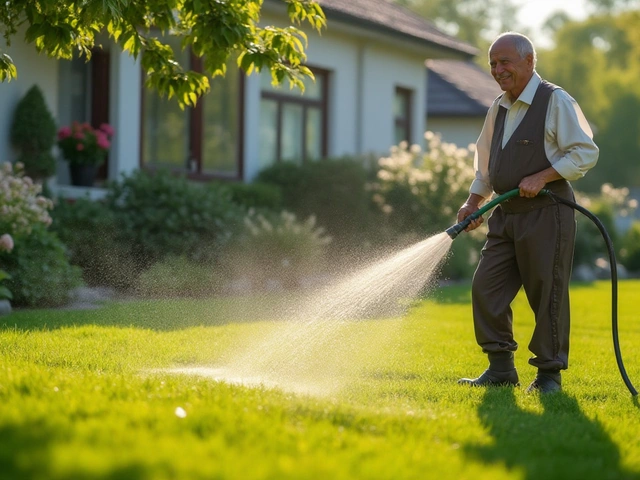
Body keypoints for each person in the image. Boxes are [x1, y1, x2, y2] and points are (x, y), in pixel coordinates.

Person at [457, 32, 599, 393]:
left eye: (505, 62)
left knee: (546, 293)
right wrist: (472, 203)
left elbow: (584, 152)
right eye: (492, 63)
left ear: (529, 61)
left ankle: (549, 375)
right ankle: (501, 368)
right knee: (485, 288)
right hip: (506, 215)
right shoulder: (498, 107)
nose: (497, 70)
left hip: (547, 212)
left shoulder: (555, 101)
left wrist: (544, 175)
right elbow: (485, 167)